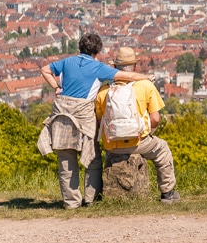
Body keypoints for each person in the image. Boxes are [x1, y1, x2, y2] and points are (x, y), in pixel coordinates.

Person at [38, 32, 153, 209]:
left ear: (80, 47)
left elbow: (45, 70)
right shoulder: (98, 67)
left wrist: (57, 87)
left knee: (66, 160)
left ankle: (71, 202)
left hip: (62, 115)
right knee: (92, 158)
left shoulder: (67, 62)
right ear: (97, 50)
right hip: (84, 117)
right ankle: (91, 199)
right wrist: (146, 78)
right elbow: (127, 76)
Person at [95, 46, 180, 204]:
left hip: (111, 145)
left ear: (114, 67)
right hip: (138, 142)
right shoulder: (145, 85)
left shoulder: (103, 91)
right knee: (162, 150)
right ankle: (167, 193)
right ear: (134, 67)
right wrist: (148, 132)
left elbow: (100, 122)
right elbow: (155, 119)